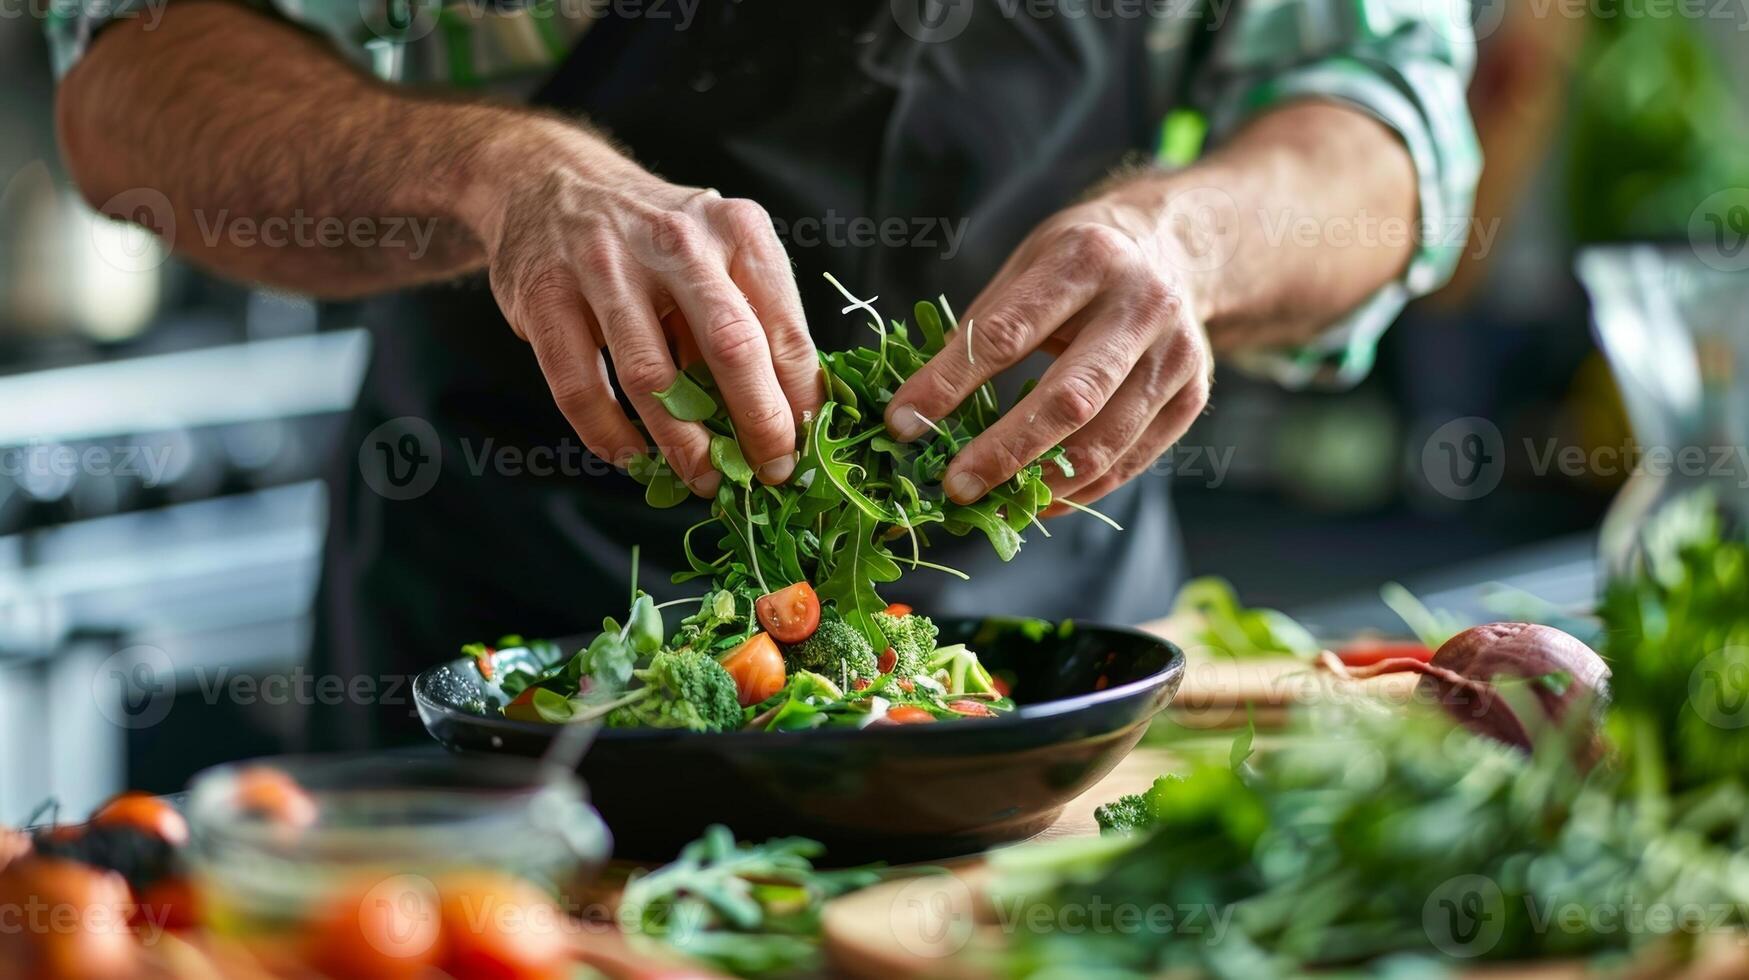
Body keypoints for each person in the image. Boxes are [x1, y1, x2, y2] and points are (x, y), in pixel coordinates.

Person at [50, 1, 1480, 747]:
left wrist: (1194, 236)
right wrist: (493, 174)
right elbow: (129, 82)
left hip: (1039, 698)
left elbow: (1383, 116)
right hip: (501, 680)